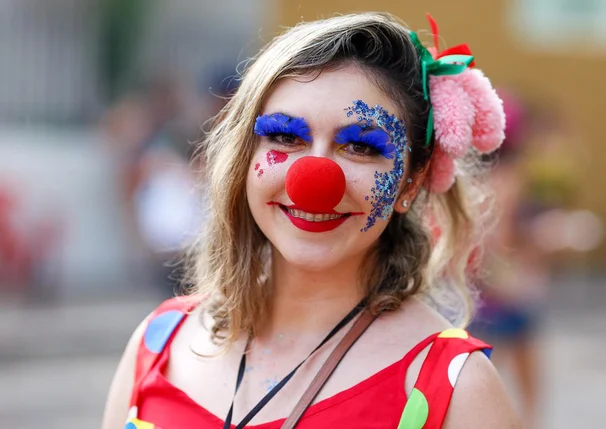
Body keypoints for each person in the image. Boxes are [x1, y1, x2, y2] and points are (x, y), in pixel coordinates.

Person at [103, 12, 521, 429]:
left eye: (359, 146)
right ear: (246, 159)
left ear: (411, 183)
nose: (314, 181)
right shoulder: (158, 343)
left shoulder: (454, 390)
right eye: (286, 137)